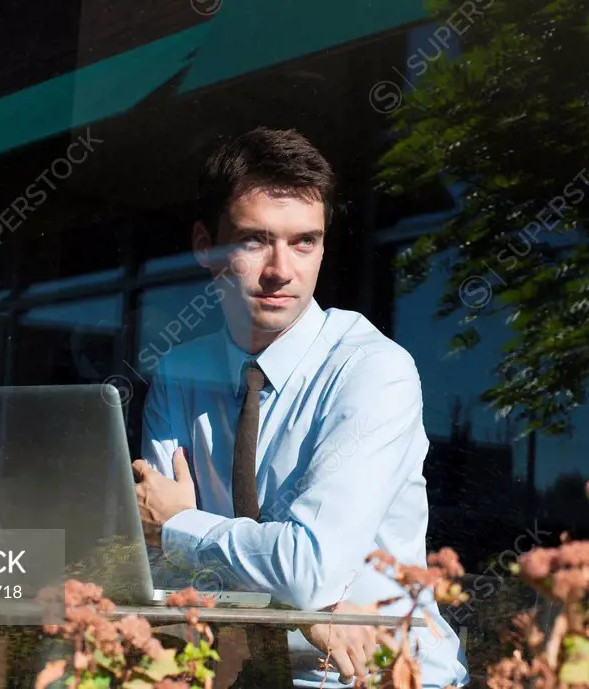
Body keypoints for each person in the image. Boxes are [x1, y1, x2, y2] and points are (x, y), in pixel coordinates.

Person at [132, 126, 469, 688]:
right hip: (235, 670)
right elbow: (161, 565)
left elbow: (304, 570)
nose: (281, 270)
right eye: (254, 241)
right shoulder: (180, 371)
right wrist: (303, 609)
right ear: (203, 245)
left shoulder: (370, 371)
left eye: (304, 242)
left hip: (376, 678)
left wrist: (184, 525)